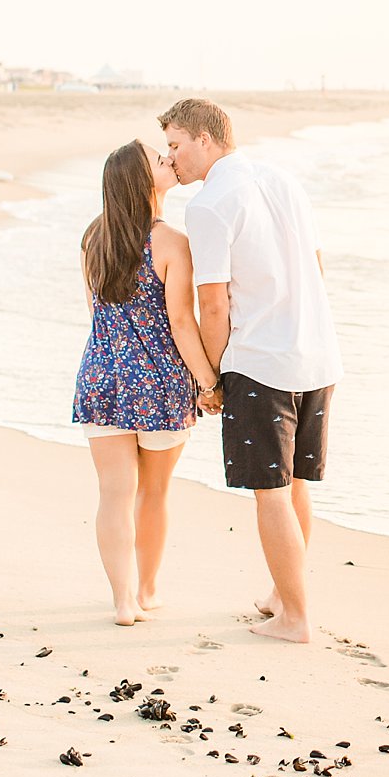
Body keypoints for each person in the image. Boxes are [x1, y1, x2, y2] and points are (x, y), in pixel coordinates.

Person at [161, 98, 342, 644]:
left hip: (261, 362)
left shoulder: (211, 204)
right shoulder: (283, 179)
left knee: (269, 491)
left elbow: (212, 305)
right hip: (317, 353)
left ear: (206, 140)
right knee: (294, 484)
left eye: (176, 145)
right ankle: (281, 596)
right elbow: (315, 263)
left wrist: (211, 379)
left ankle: (296, 619)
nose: (172, 159)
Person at [72, 139, 221, 626]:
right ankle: (148, 590)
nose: (168, 161)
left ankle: (122, 601)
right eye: (159, 160)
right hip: (158, 383)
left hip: (102, 376)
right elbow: (181, 321)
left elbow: (97, 313)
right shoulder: (172, 243)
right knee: (153, 493)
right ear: (142, 180)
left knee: (112, 492)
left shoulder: (92, 239)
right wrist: (208, 381)